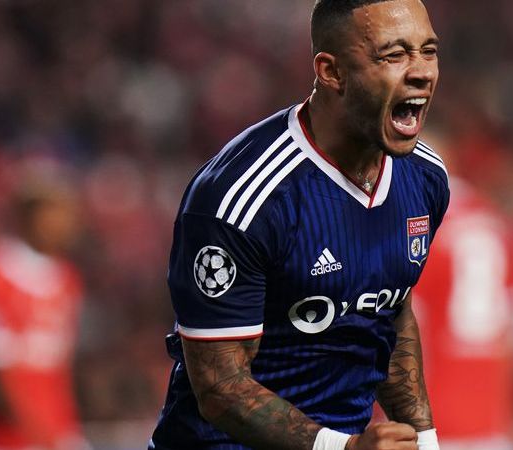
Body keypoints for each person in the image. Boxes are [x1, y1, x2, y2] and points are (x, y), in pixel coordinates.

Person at [149, 0, 448, 449]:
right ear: (331, 72)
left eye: (428, 51)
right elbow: (220, 388)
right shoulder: (242, 197)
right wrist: (341, 447)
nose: (421, 71)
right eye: (394, 55)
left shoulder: (424, 178)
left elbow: (389, 310)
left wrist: (425, 441)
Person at [0, 174, 90, 450]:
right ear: (28, 215)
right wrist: (35, 433)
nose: (64, 223)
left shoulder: (68, 279)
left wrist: (61, 433)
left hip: (57, 430)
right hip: (5, 437)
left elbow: (59, 369)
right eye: (54, 213)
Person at [414, 177, 513, 450]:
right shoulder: (495, 224)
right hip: (491, 421)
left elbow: (403, 325)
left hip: (430, 422)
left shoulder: (419, 222)